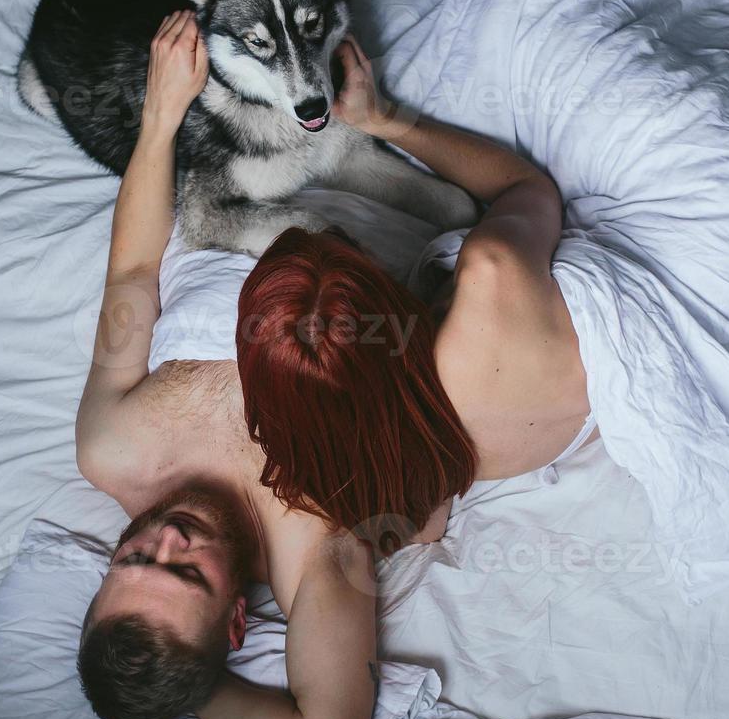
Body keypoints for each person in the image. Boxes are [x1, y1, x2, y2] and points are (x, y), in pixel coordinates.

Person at [74, 12, 383, 719]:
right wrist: (188, 687)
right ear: (236, 624)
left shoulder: (113, 449)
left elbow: (134, 278)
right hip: (360, 206)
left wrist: (161, 115)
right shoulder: (305, 545)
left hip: (229, 199)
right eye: (185, 575)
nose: (166, 539)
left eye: (132, 558)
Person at [236, 36, 594, 545]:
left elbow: (423, 531)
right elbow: (526, 189)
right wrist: (384, 120)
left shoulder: (371, 468)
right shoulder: (490, 275)